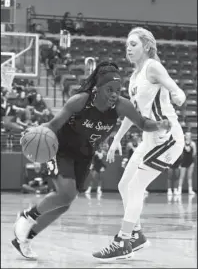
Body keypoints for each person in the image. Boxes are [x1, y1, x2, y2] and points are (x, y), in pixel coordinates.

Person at [12, 61, 170, 260]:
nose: (114, 94)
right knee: (66, 193)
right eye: (109, 89)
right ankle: (27, 217)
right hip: (61, 149)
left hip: (84, 155)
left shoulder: (122, 105)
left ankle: (24, 239)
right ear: (98, 88)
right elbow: (53, 125)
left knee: (65, 203)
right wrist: (34, 133)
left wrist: (159, 124)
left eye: (117, 90)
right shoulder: (80, 101)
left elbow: (143, 123)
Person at [93, 28, 186, 261]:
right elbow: (131, 115)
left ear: (146, 46)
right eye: (127, 44)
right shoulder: (134, 77)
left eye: (133, 44)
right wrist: (115, 141)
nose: (128, 48)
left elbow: (173, 86)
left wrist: (178, 93)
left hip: (167, 138)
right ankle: (137, 235)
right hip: (149, 140)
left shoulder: (152, 67)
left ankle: (123, 241)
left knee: (135, 187)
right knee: (124, 185)